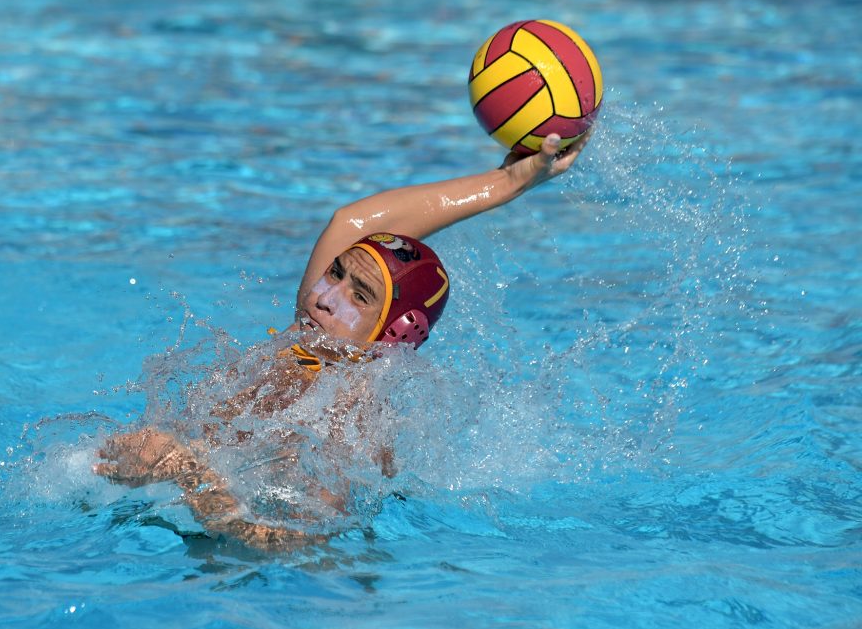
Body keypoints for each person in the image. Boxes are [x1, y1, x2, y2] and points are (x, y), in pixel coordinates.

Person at [94, 132, 590, 550]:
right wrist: (509, 182)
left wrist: (184, 470)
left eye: (360, 295)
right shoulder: (309, 336)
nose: (324, 297)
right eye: (335, 273)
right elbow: (350, 223)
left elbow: (289, 543)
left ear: (394, 335)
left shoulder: (352, 420)